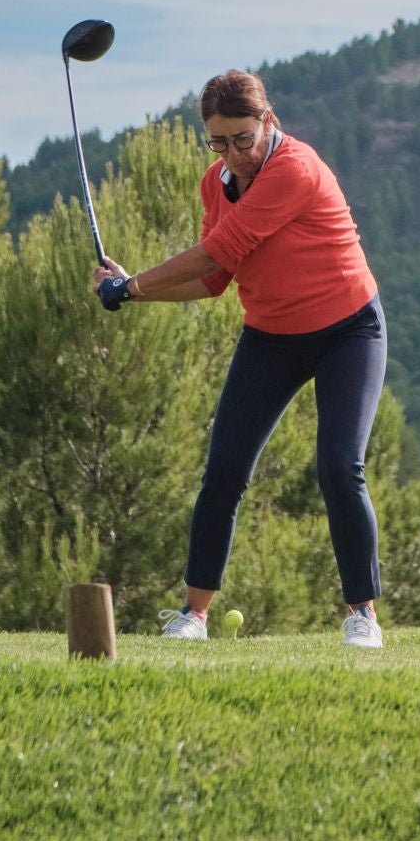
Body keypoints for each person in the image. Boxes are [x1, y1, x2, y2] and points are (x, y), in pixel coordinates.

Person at [91, 68, 386, 649]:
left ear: (267, 122)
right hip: (272, 335)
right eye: (218, 142)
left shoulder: (294, 169)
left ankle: (363, 615)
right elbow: (215, 281)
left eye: (242, 139)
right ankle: (193, 616)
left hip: (348, 330)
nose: (232, 154)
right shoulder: (215, 184)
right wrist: (135, 289)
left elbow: (217, 251)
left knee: (338, 466)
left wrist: (131, 288)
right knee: (224, 470)